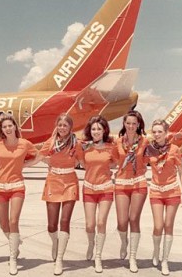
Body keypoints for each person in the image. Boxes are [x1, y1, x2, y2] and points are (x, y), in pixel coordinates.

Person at [25, 113, 83, 276]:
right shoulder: (50, 143)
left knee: (64, 221)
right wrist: (19, 165)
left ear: (70, 128)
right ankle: (55, 242)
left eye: (65, 125)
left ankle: (59, 259)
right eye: (60, 125)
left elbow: (84, 161)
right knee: (51, 225)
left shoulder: (75, 143)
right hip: (53, 180)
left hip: (70, 181)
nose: (62, 128)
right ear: (56, 126)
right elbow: (37, 159)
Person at [0, 114, 37, 275]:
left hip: (17, 186)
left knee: (13, 221)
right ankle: (15, 241)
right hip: (0, 187)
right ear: (1, 130)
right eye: (5, 127)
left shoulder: (25, 144)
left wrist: (25, 165)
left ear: (15, 127)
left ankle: (13, 257)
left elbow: (37, 156)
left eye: (10, 126)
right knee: (3, 224)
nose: (8, 129)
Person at [144, 119, 182, 276]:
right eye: (154, 131)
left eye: (159, 131)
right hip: (156, 191)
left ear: (166, 133)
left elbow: (181, 171)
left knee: (168, 225)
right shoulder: (148, 149)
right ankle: (156, 251)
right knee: (158, 226)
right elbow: (138, 163)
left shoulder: (174, 149)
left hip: (172, 191)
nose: (156, 134)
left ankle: (165, 260)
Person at [113, 110, 148, 273]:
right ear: (124, 124)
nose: (131, 126)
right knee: (121, 222)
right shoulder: (118, 142)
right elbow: (112, 161)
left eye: (134, 123)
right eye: (129, 123)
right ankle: (124, 242)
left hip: (138, 183)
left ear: (138, 124)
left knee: (133, 219)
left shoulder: (145, 142)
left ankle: (132, 257)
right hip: (121, 183)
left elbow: (152, 159)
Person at [81, 115, 115, 273]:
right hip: (88, 188)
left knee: (101, 223)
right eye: (93, 129)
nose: (96, 132)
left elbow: (116, 162)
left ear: (104, 131)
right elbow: (80, 163)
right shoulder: (85, 147)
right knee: (89, 224)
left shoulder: (111, 147)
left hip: (106, 189)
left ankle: (98, 256)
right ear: (90, 131)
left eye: (99, 129)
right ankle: (90, 243)